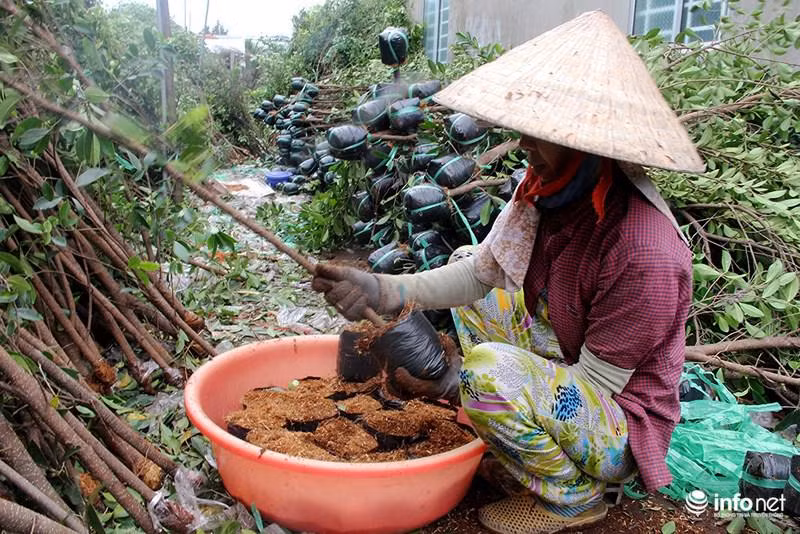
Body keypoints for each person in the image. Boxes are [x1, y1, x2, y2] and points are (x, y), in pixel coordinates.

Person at [313, 11, 704, 534]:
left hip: (617, 422)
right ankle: (514, 420)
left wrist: (465, 390)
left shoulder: (645, 253)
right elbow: (480, 273)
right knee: (473, 290)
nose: (523, 147)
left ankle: (574, 497)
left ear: (588, 146)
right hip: (572, 363)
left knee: (487, 373)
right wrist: (385, 288)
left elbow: (596, 388)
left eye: (540, 135)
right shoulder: (545, 194)